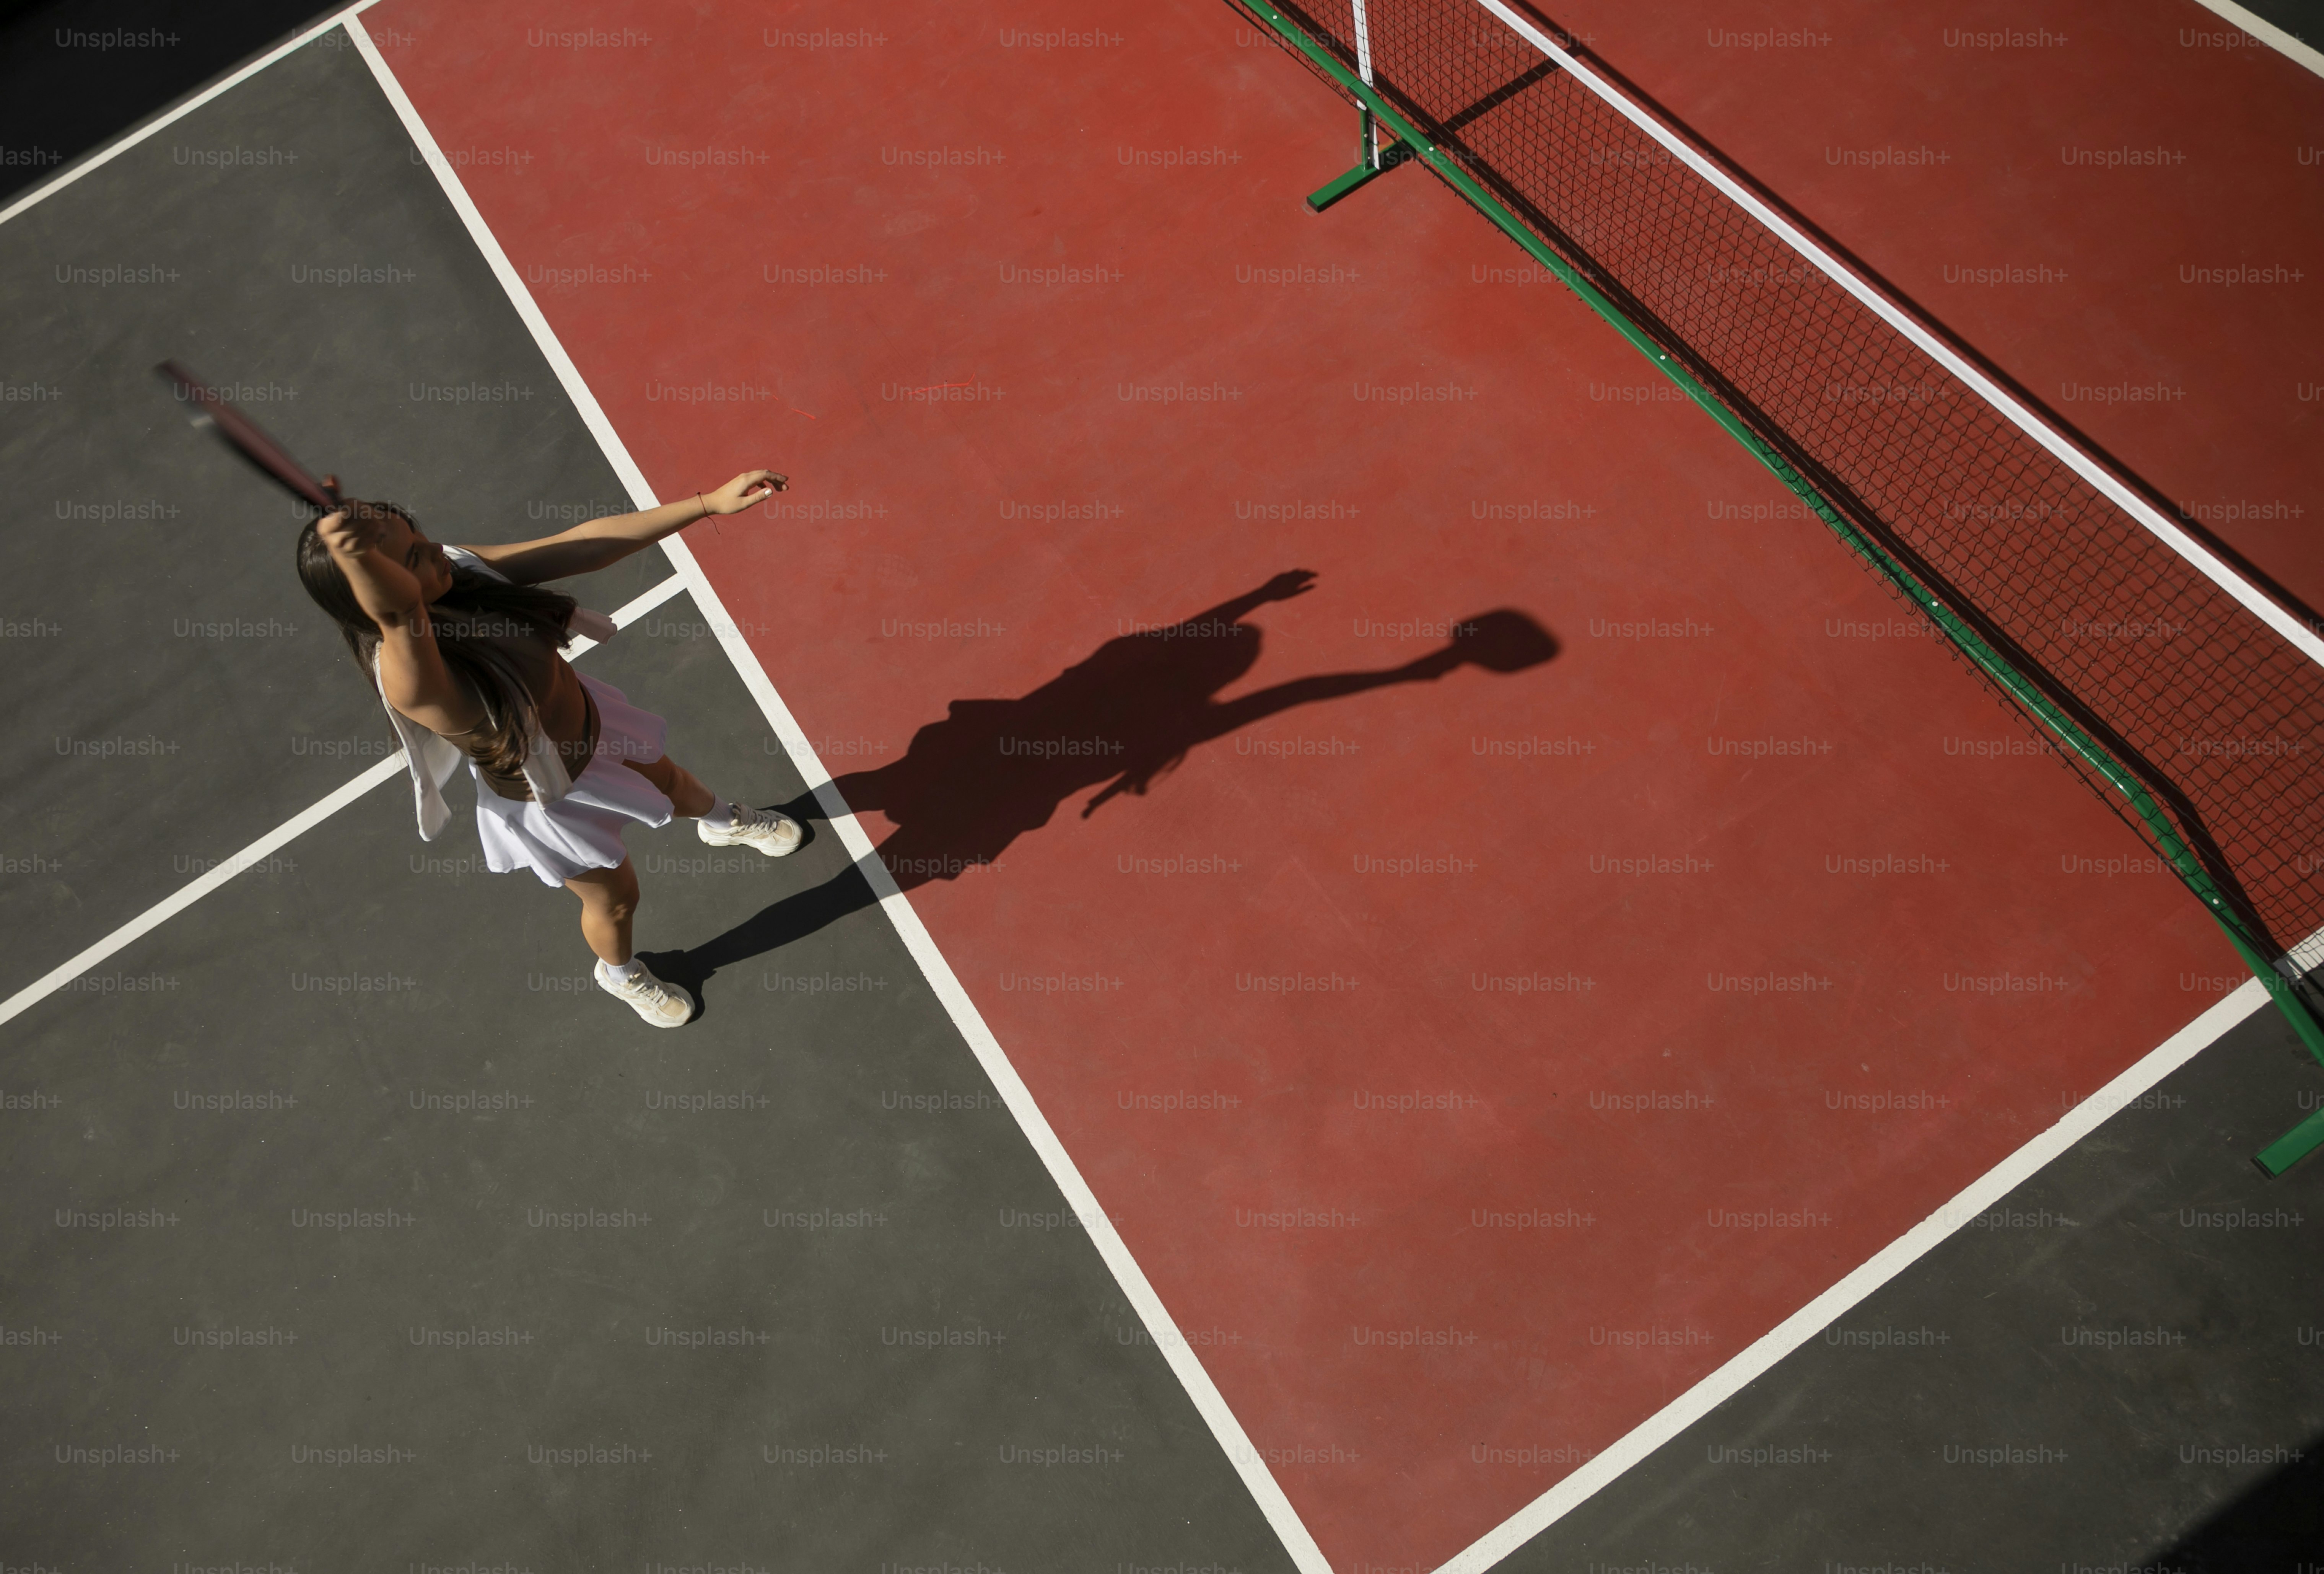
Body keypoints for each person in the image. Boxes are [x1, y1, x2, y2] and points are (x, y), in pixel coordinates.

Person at [295, 473, 796, 1028]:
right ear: (374, 591)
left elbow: (581, 544)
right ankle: (621, 974)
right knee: (617, 899)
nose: (434, 548)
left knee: (677, 785)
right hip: (551, 798)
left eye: (418, 534)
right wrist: (362, 561)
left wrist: (705, 504)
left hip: (594, 725)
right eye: (411, 556)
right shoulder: (410, 676)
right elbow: (398, 614)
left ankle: (724, 821)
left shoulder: (457, 570)